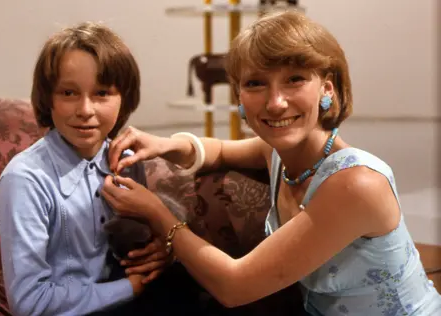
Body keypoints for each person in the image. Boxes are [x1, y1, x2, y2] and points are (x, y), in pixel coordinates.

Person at [100, 10, 441, 316]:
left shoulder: (356, 185)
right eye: (255, 83)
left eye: (294, 79)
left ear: (327, 89)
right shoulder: (277, 154)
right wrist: (166, 144)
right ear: (239, 97)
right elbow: (218, 150)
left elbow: (234, 287)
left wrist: (158, 214)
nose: (275, 103)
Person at [0, 22, 170, 316]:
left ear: (124, 97)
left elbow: (141, 240)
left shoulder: (125, 160)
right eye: (69, 93)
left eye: (102, 93)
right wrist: (131, 287)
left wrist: (160, 252)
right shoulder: (24, 180)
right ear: (49, 99)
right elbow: (30, 302)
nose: (85, 110)